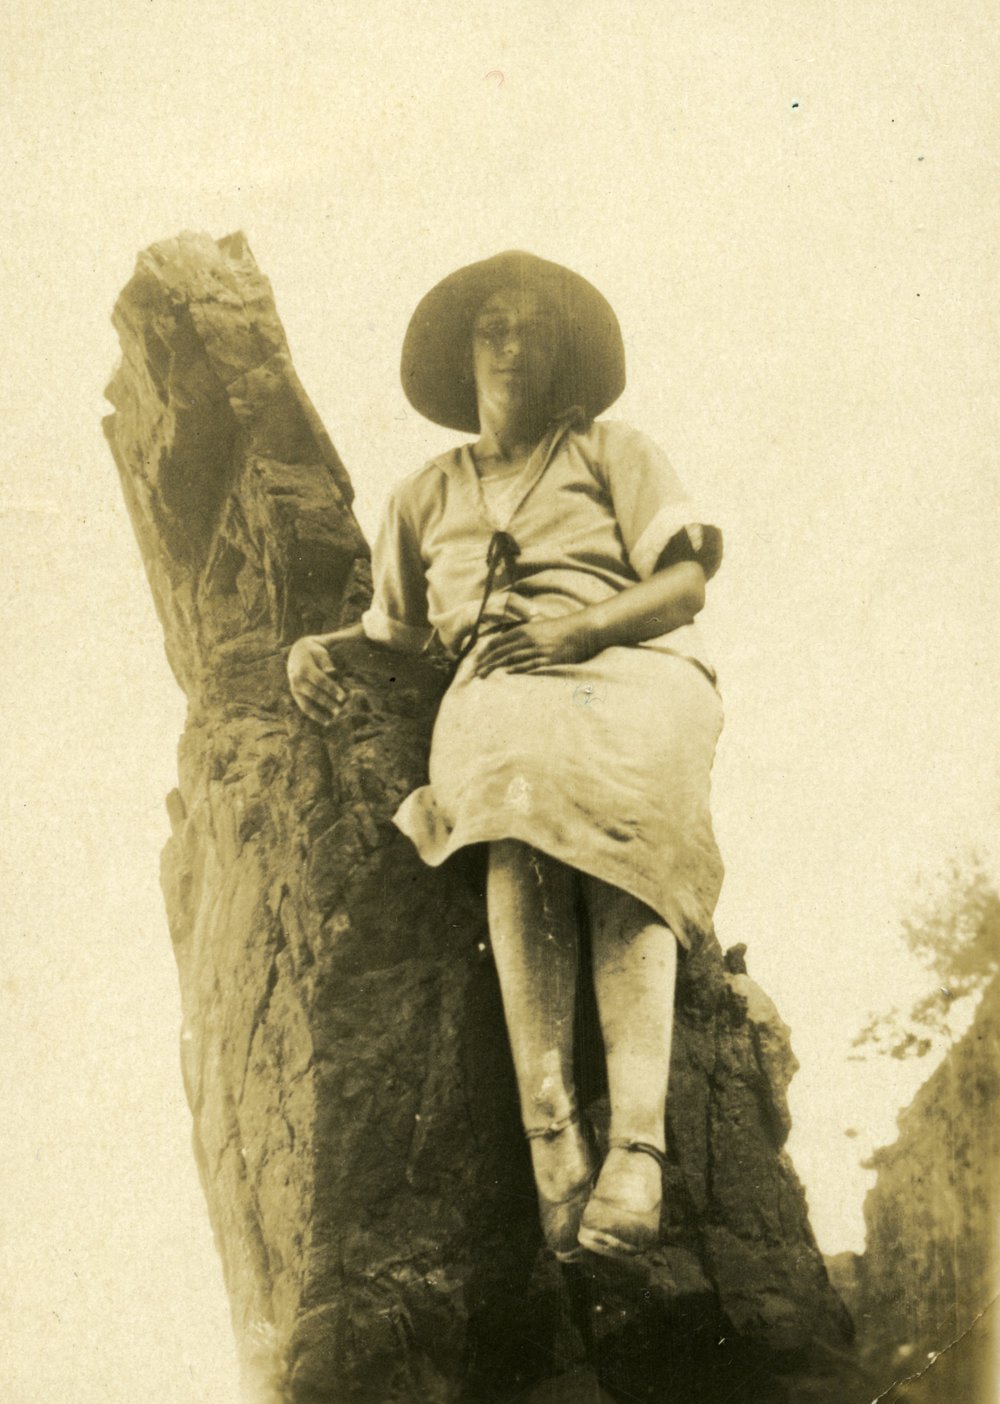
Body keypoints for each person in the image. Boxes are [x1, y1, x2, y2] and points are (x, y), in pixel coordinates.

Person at [287, 250, 724, 1263]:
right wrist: (319, 648)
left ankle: (641, 1146)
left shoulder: (613, 449)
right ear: (465, 356)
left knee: (626, 810)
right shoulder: (424, 493)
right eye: (495, 330)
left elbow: (687, 582)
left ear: (563, 355)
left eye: (535, 331)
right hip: (501, 696)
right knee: (509, 790)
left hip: (633, 665)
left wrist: (577, 632)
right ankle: (551, 1126)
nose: (514, 347)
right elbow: (395, 639)